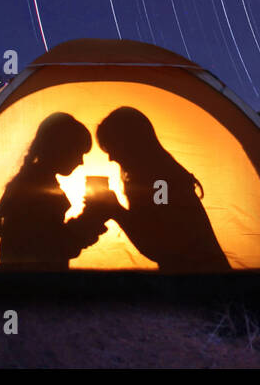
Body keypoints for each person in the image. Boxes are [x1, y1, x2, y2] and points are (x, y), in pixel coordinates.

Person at [87, 106, 230, 272]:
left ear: (130, 145)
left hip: (201, 282)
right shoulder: (159, 179)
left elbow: (161, 245)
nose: (111, 157)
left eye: (113, 147)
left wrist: (116, 210)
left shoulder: (161, 183)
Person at [0, 112, 110, 270]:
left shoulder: (31, 180)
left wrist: (88, 221)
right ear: (60, 149)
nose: (81, 162)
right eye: (78, 153)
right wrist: (91, 221)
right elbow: (53, 247)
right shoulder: (35, 187)